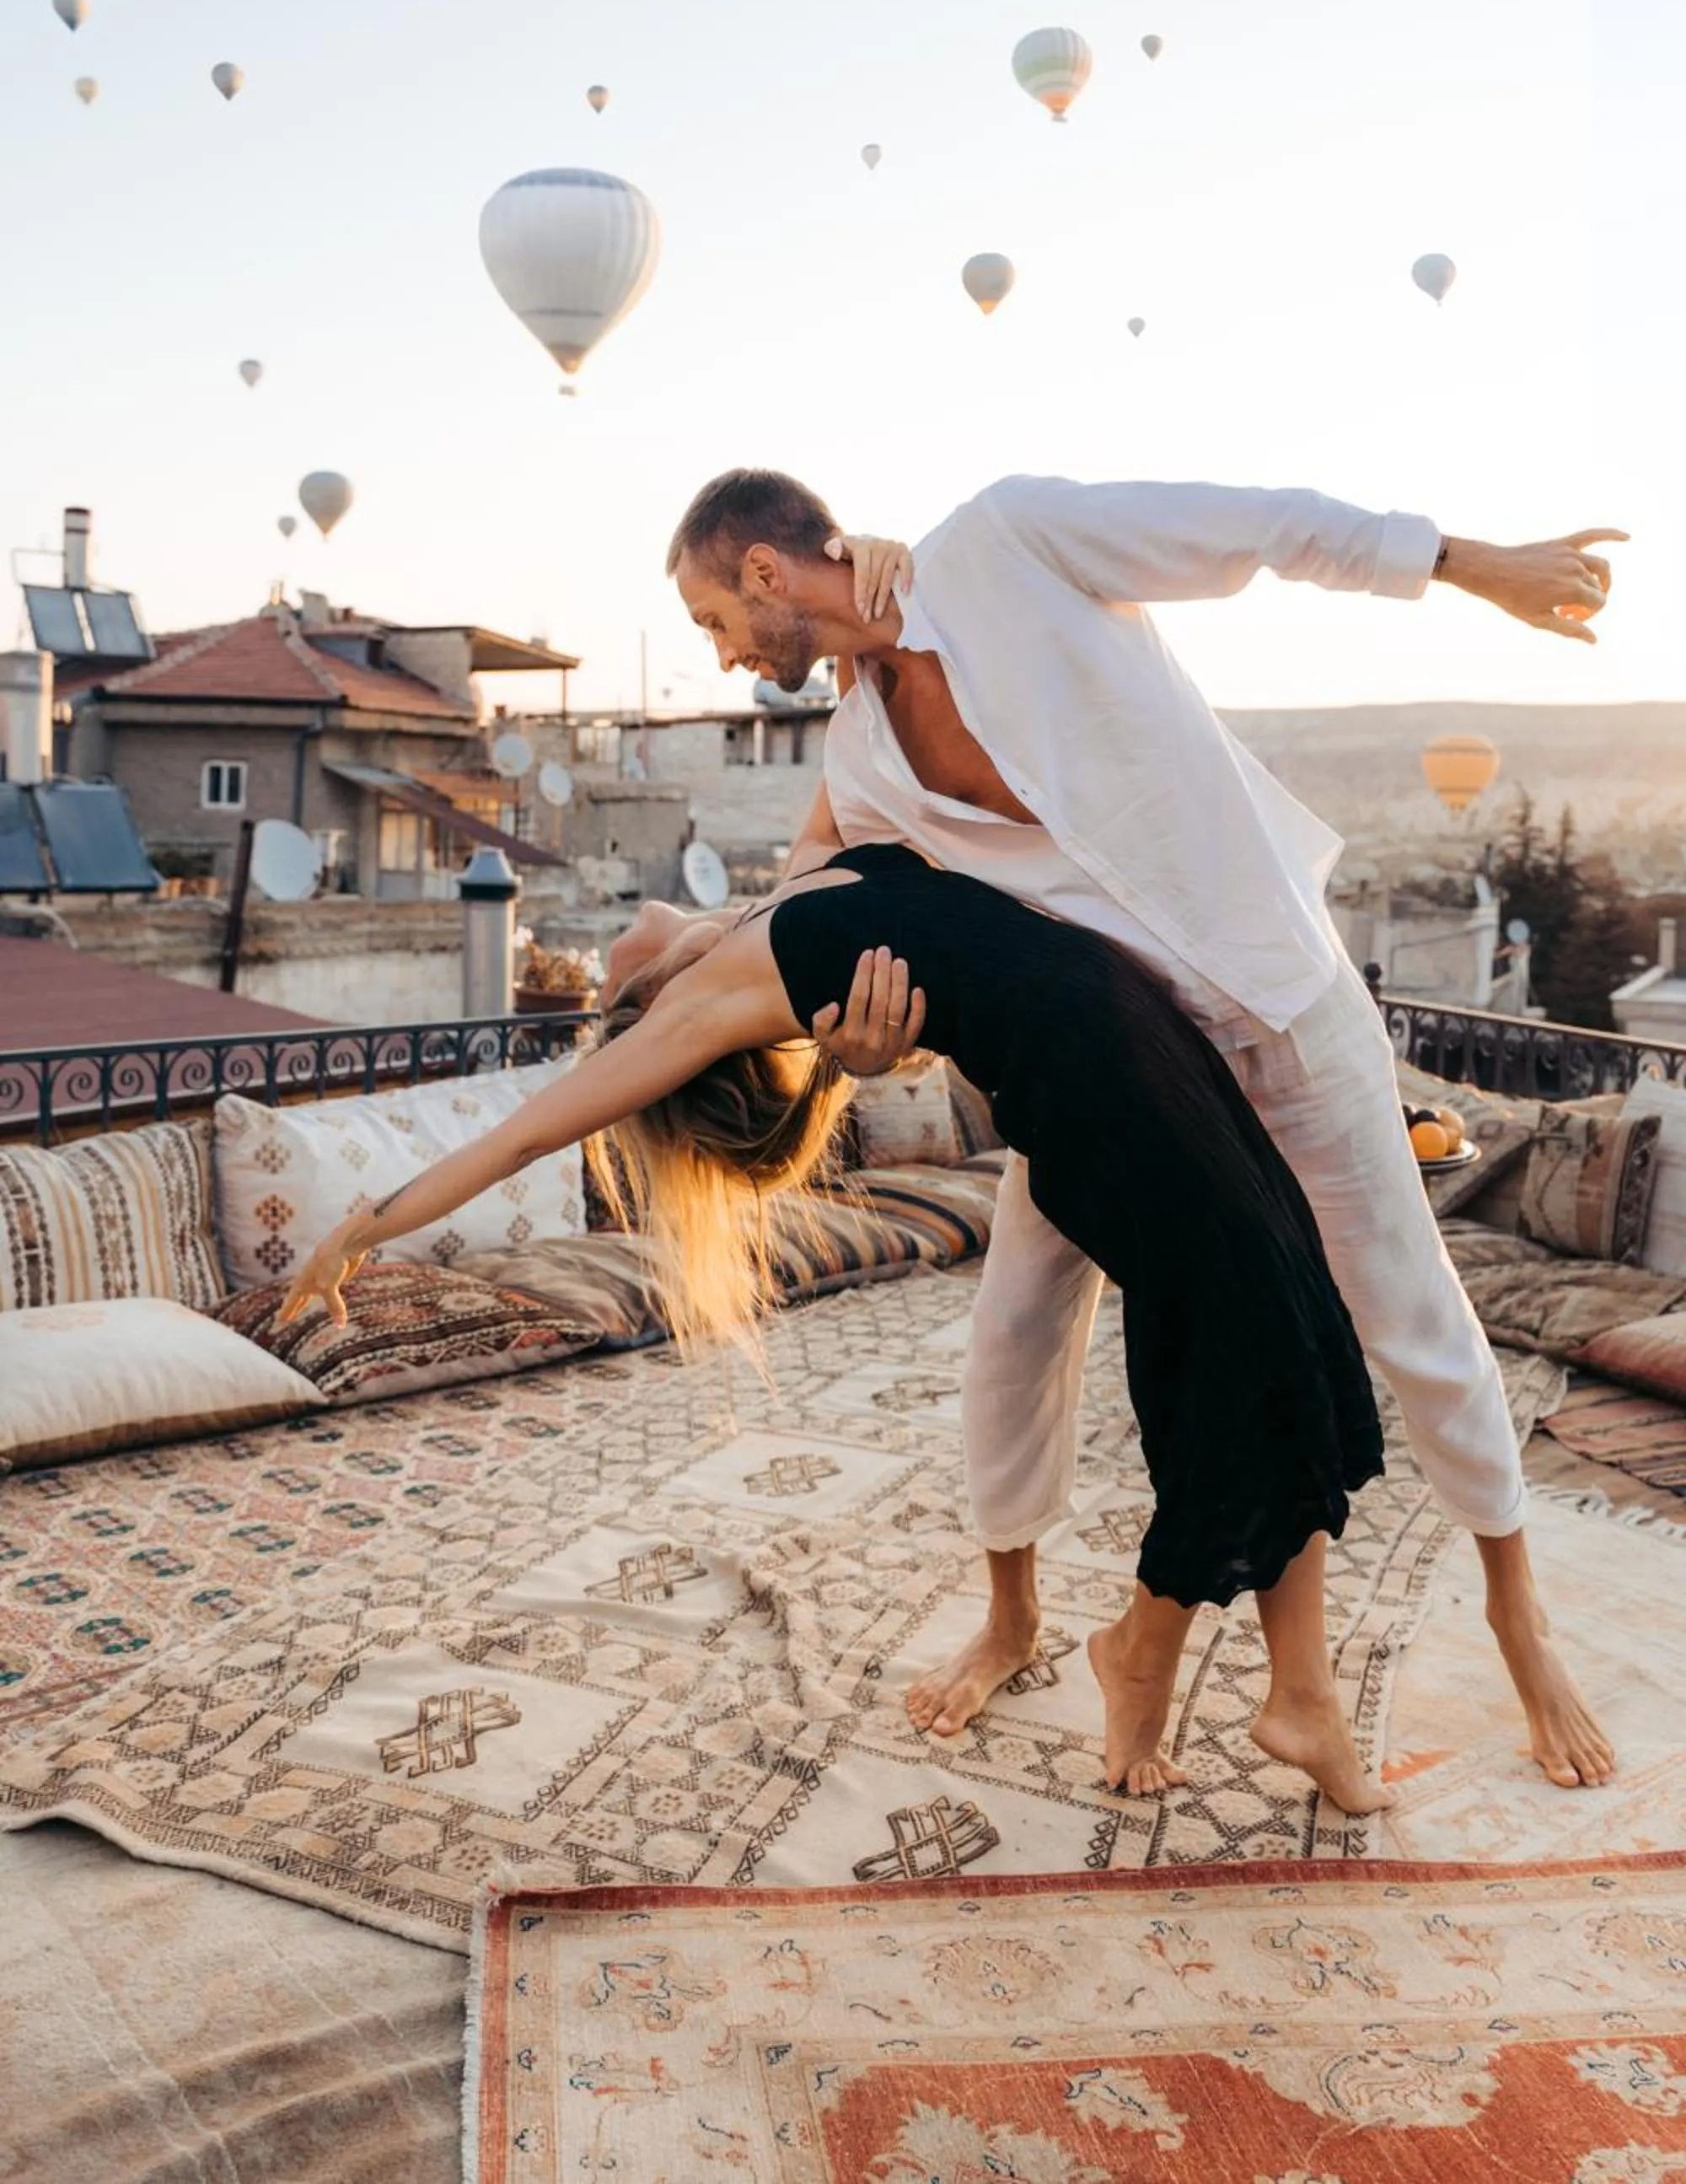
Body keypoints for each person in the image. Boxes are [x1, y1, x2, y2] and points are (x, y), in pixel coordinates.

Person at [662, 464, 1625, 1792]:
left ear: (764, 572)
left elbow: (1259, 526)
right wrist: (837, 1033)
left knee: (1410, 1312)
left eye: (714, 618)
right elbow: (798, 913)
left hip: (1285, 999)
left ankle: (1519, 1625)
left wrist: (1471, 561)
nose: (717, 653)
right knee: (1015, 1325)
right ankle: (1015, 1619)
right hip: (1124, 1064)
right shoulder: (859, 761)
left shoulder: (1003, 542)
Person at [285, 842, 1396, 1810]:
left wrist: (886, 1051)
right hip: (1095, 1084)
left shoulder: (787, 898)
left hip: (1137, 1034)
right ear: (647, 1007)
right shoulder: (700, 999)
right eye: (608, 1005)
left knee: (1286, 1310)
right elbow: (523, 1138)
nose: (600, 961)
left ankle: (1294, 1693)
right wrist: (361, 1232)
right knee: (1242, 1352)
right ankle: (1159, 1660)